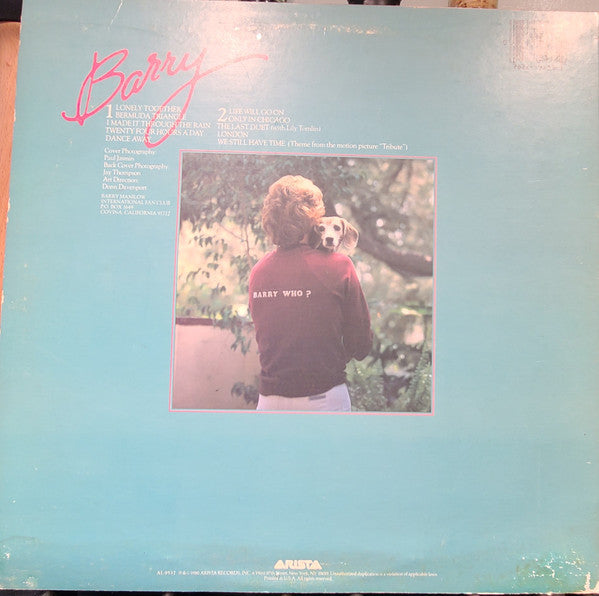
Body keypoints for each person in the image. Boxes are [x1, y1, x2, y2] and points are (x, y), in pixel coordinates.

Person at [249, 175, 372, 412]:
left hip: (269, 403)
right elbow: (360, 345)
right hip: (323, 400)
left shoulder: (258, 271)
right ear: (312, 219)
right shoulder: (339, 266)